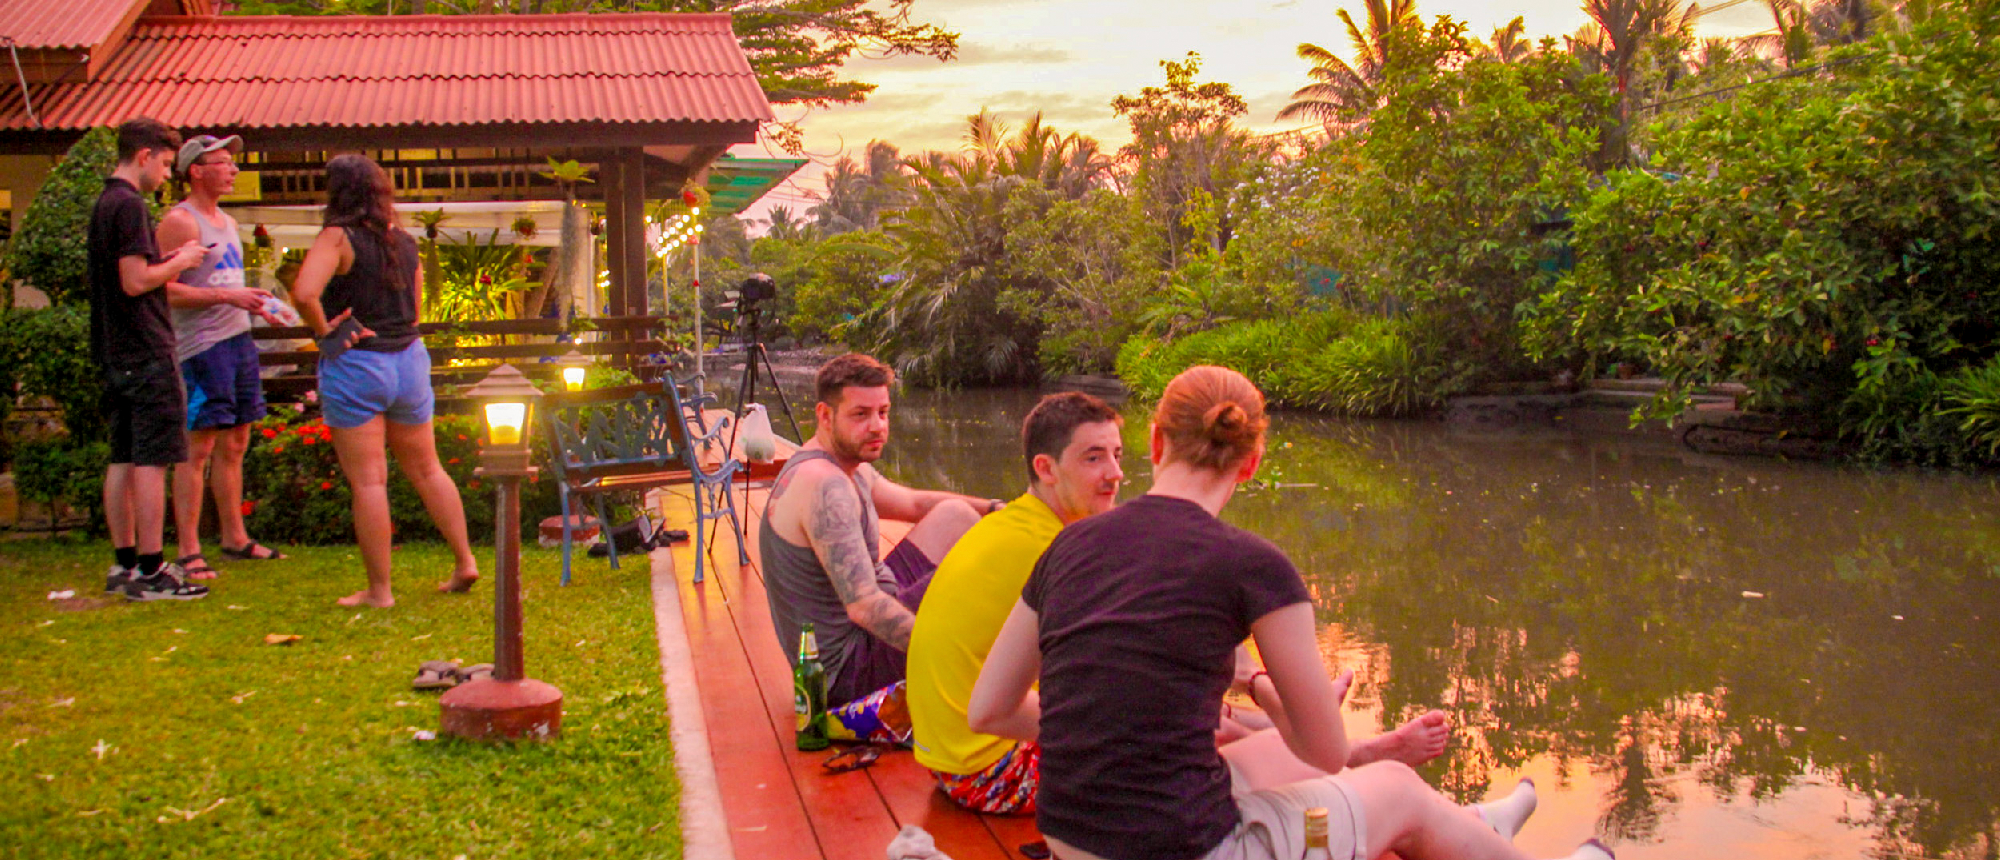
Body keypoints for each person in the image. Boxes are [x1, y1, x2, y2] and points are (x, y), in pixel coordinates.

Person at [970, 367, 1614, 860]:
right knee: (1393, 786)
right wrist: (1272, 691)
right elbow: (1328, 752)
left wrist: (1115, 732)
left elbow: (990, 710)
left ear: (1156, 440)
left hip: (1070, 841)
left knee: (1261, 761)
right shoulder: (1253, 564)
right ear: (1251, 463)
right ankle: (1477, 833)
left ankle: (1479, 825)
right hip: (1184, 849)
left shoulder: (1068, 544)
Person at [909, 392, 1449, 816]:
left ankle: (1339, 743)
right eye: (1093, 458)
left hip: (955, 753)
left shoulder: (1019, 527)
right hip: (989, 770)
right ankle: (1349, 754)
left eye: (1118, 456)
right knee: (1181, 721)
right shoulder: (1053, 548)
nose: (1115, 474)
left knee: (1180, 701)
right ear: (1047, 469)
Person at [761, 353, 998, 736]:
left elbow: (914, 504)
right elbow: (865, 607)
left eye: (883, 412)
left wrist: (997, 509)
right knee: (989, 572)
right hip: (847, 674)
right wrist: (951, 657)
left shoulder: (844, 464)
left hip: (871, 624)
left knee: (956, 515)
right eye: (861, 415)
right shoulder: (824, 485)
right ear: (825, 415)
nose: (877, 427)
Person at [290, 153, 479, 608]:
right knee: (429, 469)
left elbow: (303, 292)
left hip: (360, 364)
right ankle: (464, 561)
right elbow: (414, 308)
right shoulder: (405, 242)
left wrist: (326, 332)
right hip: (409, 361)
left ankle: (380, 591)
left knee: (370, 483)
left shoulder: (338, 237)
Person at [90, 117, 213, 602]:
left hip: (114, 348)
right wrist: (182, 262)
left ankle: (124, 564)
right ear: (143, 156)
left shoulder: (103, 203)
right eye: (164, 165)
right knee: (153, 459)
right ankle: (151, 568)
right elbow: (136, 279)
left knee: (122, 456)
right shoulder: (129, 206)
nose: (166, 175)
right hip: (145, 348)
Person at [161, 133, 287, 580]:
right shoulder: (181, 221)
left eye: (233, 163)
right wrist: (226, 297)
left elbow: (230, 282)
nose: (233, 169)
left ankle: (235, 537)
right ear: (195, 170)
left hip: (238, 342)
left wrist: (263, 305)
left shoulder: (228, 222)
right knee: (198, 449)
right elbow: (161, 287)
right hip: (200, 348)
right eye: (222, 163)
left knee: (236, 443)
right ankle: (189, 548)